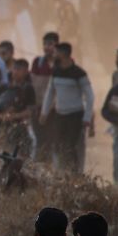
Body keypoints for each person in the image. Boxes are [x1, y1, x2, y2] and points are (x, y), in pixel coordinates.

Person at [38, 42, 94, 174]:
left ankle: (74, 176)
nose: (54, 54)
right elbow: (50, 92)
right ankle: (60, 173)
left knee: (71, 147)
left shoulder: (79, 73)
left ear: (63, 54)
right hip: (59, 116)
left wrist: (87, 118)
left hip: (75, 116)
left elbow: (90, 96)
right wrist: (44, 112)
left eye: (56, 52)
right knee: (58, 146)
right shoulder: (56, 72)